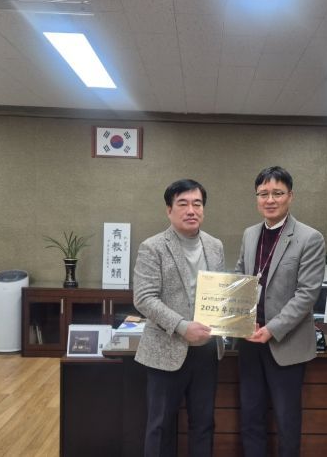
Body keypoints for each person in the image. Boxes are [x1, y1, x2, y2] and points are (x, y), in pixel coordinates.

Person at [235, 166, 326, 457]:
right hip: (249, 340)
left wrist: (272, 329)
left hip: (285, 342)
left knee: (287, 420)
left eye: (277, 193)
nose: (270, 200)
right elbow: (240, 277)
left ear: (290, 196)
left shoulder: (309, 238)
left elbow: (307, 294)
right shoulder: (250, 234)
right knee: (251, 415)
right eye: (263, 194)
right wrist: (238, 319)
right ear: (256, 198)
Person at [133, 179, 225, 457]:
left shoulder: (215, 246)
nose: (191, 210)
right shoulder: (152, 247)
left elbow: (220, 294)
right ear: (169, 210)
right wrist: (183, 327)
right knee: (160, 426)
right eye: (183, 204)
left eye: (197, 204)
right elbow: (144, 298)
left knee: (204, 424)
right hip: (166, 349)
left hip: (206, 350)